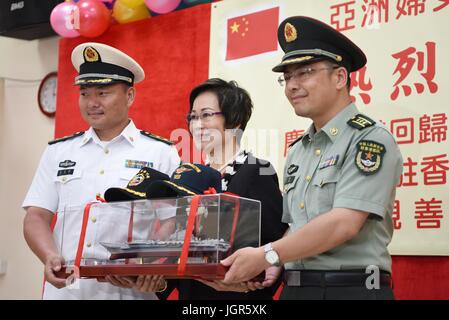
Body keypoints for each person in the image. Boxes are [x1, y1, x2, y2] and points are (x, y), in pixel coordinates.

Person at [220, 16, 403, 300]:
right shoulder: (298, 150)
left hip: (350, 290)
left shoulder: (369, 139)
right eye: (287, 76)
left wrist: (267, 255)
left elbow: (344, 222)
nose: (292, 85)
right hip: (294, 289)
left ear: (340, 77)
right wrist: (274, 264)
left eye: (304, 72)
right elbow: (298, 225)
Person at [22, 42, 180, 300]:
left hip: (130, 294)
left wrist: (154, 270)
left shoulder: (161, 153)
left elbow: (175, 223)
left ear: (130, 96)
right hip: (68, 293)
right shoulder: (59, 152)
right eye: (85, 93)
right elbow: (36, 216)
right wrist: (49, 256)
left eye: (103, 93)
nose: (92, 102)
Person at [134, 78, 289, 299]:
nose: (197, 124)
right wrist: (156, 282)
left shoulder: (257, 170)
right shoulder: (190, 177)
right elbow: (179, 248)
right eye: (193, 117)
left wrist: (248, 285)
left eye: (206, 115)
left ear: (234, 120)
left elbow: (275, 247)